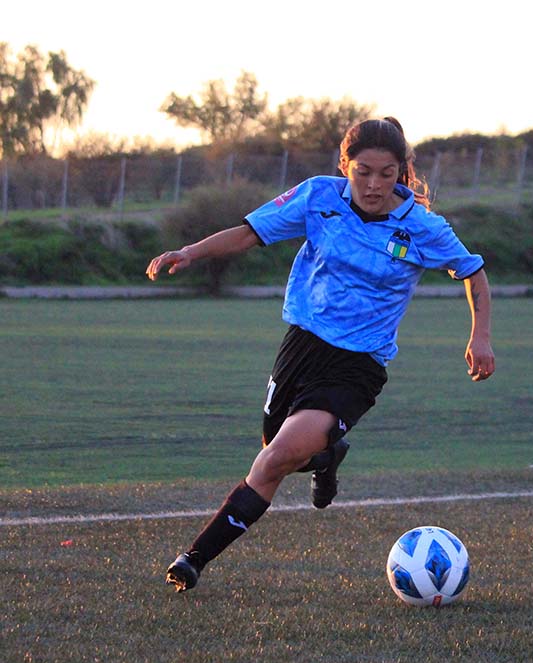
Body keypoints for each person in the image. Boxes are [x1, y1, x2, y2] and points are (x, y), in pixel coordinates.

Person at [146, 117, 495, 592]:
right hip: (302, 346)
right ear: (344, 164)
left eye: (387, 174)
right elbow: (250, 232)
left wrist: (480, 337)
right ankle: (327, 456)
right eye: (363, 172)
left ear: (402, 172)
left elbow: (473, 272)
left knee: (273, 460)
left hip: (357, 366)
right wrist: (191, 251)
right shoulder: (318, 196)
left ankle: (193, 559)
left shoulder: (422, 227)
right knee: (276, 447)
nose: (373, 185)